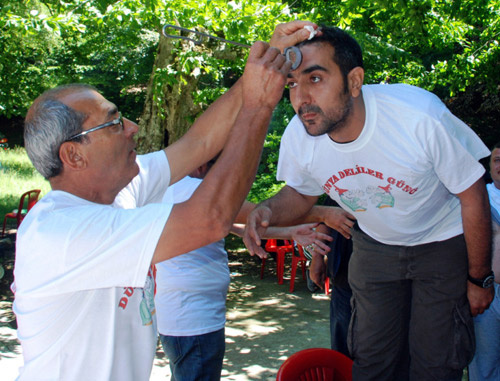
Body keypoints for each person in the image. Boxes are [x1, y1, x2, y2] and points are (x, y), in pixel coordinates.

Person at [12, 22, 317, 380]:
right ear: (74, 156)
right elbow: (211, 218)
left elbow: (199, 145)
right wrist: (258, 106)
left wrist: (259, 71)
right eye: (113, 124)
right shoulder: (62, 233)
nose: (132, 128)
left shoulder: (119, 193)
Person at [243, 25, 494, 380]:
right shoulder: (300, 134)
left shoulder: (417, 116)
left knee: (435, 362)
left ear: (355, 81)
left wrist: (479, 278)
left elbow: (473, 194)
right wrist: (266, 210)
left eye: (315, 78)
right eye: (292, 84)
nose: (300, 98)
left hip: (441, 241)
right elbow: (301, 193)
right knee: (372, 358)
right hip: (375, 246)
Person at [153, 162, 331, 381]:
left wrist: (290, 233)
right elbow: (256, 214)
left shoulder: (178, 191)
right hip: (192, 317)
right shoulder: (193, 189)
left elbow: (237, 227)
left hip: (189, 314)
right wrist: (323, 213)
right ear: (201, 166)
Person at [468, 142, 500, 380]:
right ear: (489, 166)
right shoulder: (478, 198)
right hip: (487, 292)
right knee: (485, 364)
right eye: (497, 160)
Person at [308, 198, 353, 358]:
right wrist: (317, 258)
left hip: (383, 279)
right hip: (343, 276)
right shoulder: (339, 180)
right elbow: (324, 221)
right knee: (341, 341)